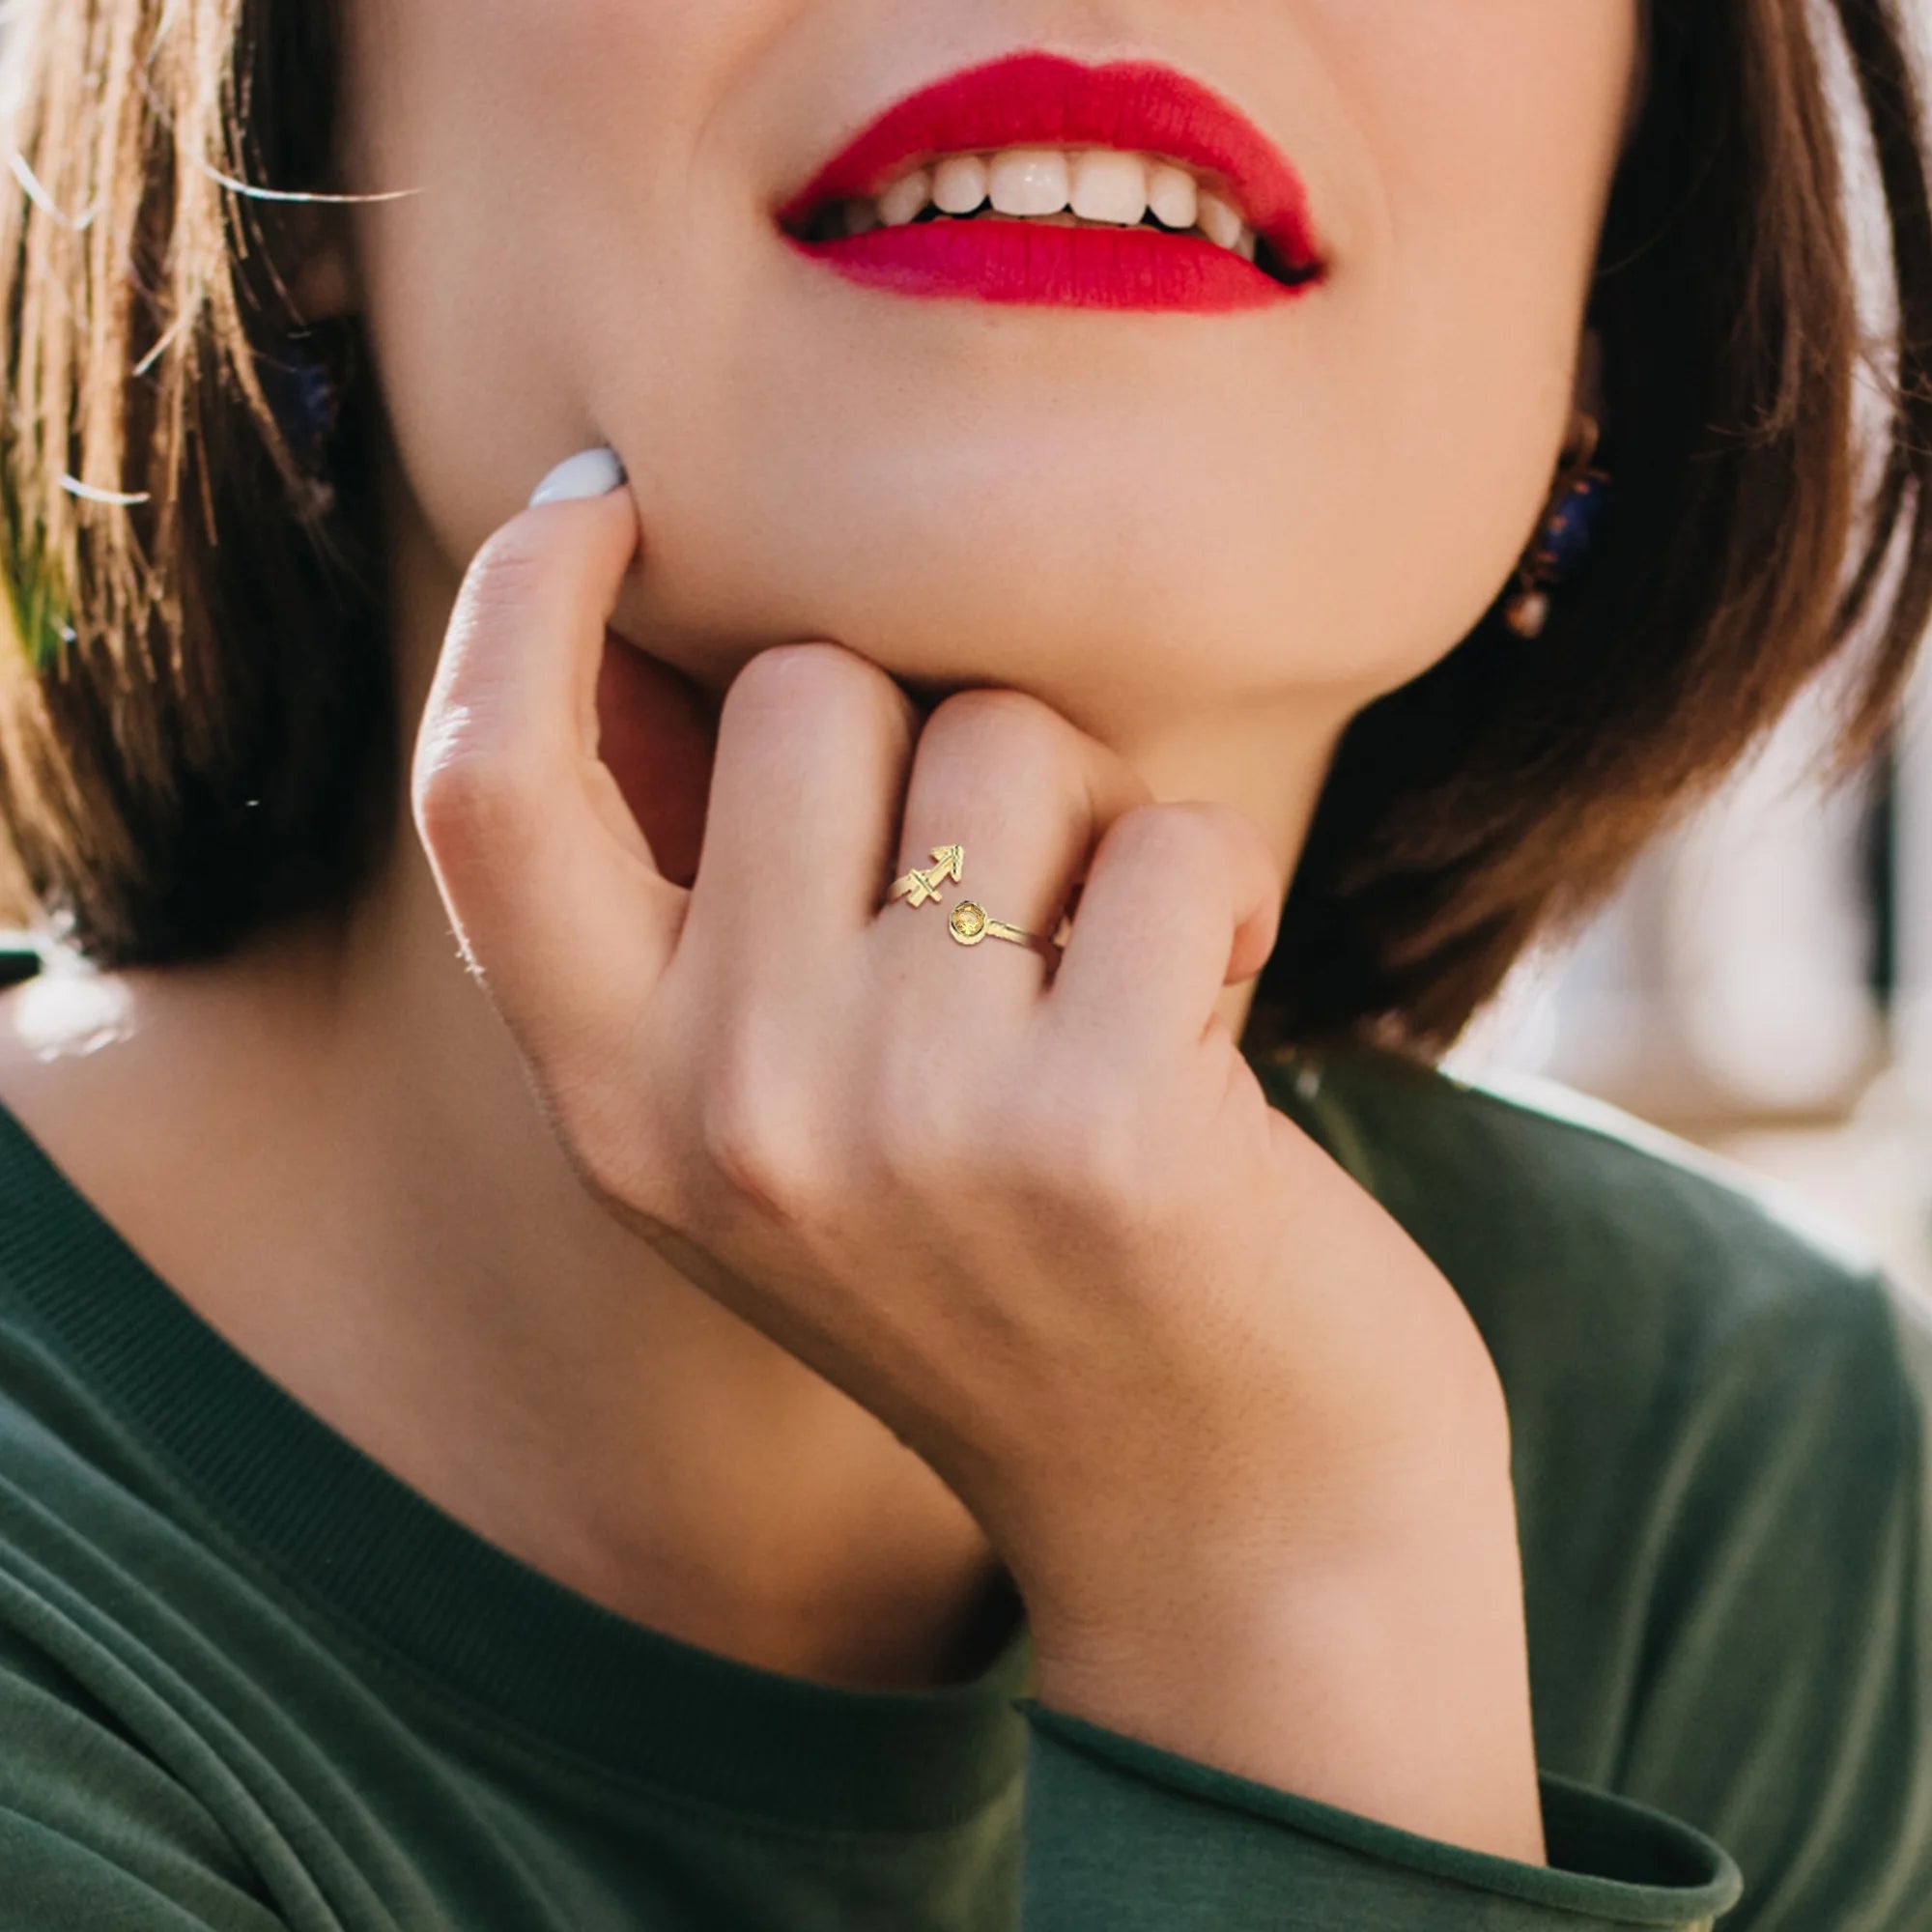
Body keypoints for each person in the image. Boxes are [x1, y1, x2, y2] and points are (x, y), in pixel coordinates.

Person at [0, 1, 1927, 1926]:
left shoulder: (1766, 1498)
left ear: (1618, 253)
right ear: (301, 133)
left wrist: (1283, 1567)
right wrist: (1267, 1587)